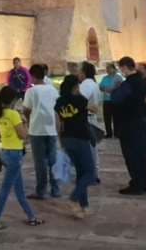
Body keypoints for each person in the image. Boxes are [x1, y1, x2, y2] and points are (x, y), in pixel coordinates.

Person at [0, 86, 44, 229]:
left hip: (5, 153)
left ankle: (31, 217)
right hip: (15, 154)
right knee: (6, 189)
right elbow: (23, 135)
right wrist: (24, 122)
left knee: (19, 189)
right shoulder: (14, 115)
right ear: (13, 100)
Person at [55, 74, 96, 219]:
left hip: (66, 138)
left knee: (80, 173)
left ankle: (83, 206)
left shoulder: (59, 102)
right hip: (80, 138)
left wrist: (60, 141)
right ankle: (74, 198)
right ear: (75, 87)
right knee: (90, 173)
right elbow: (95, 109)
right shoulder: (81, 100)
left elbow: (58, 123)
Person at [112, 56, 146, 195]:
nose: (120, 71)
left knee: (131, 155)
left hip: (129, 124)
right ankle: (145, 184)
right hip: (140, 122)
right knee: (140, 155)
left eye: (120, 68)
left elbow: (116, 99)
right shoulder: (141, 81)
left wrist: (115, 90)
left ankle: (137, 184)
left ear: (124, 67)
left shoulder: (129, 83)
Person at [23, 64, 61, 200]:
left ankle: (41, 190)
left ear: (32, 76)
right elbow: (57, 109)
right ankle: (56, 189)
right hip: (51, 129)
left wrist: (28, 121)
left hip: (37, 129)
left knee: (40, 162)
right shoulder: (52, 89)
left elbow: (26, 109)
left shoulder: (31, 91)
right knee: (53, 160)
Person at [78, 61, 103, 182]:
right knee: (91, 148)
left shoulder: (86, 84)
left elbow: (80, 100)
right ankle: (93, 173)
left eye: (79, 70)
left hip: (86, 119)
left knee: (87, 149)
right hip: (90, 118)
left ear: (83, 72)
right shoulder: (92, 83)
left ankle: (90, 174)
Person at [99, 63, 123, 138]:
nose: (107, 70)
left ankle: (117, 133)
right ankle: (109, 133)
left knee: (116, 117)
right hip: (106, 100)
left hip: (115, 100)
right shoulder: (105, 78)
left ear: (114, 69)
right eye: (107, 69)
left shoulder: (118, 77)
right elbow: (101, 86)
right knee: (107, 117)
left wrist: (111, 89)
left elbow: (118, 86)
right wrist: (105, 89)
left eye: (109, 68)